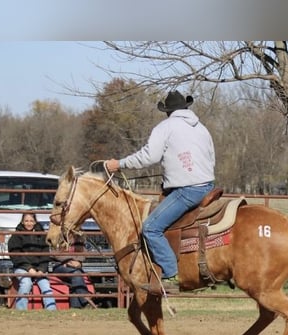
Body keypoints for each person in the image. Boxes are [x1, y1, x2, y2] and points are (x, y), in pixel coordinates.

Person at [104, 90, 216, 294]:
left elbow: (149, 156)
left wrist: (119, 164)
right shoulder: (202, 128)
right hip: (207, 185)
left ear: (167, 111)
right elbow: (211, 157)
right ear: (186, 108)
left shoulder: (165, 127)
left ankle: (170, 273)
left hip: (188, 190)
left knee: (150, 227)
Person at [8, 211, 57, 311]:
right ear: (22, 222)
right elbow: (16, 256)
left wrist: (41, 270)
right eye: (26, 221)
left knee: (46, 285)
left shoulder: (42, 235)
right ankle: (21, 310)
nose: (29, 223)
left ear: (35, 222)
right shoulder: (16, 236)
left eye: (31, 221)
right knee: (26, 283)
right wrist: (28, 268)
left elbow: (45, 256)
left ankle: (52, 310)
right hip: (22, 268)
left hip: (39, 269)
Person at [51, 235, 92, 309]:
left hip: (75, 266)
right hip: (60, 265)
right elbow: (54, 252)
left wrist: (78, 262)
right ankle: (86, 301)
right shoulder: (59, 235)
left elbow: (84, 251)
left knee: (75, 277)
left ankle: (75, 308)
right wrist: (68, 260)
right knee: (76, 274)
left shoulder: (80, 237)